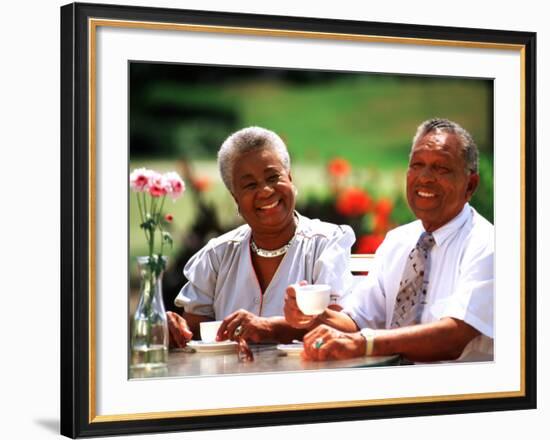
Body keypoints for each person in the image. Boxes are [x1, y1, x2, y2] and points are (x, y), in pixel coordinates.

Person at [284, 118, 494, 363]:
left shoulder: (488, 245)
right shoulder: (399, 241)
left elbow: (453, 338)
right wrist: (311, 315)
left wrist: (364, 343)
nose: (425, 177)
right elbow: (357, 320)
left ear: (470, 185)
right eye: (417, 165)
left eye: (441, 168)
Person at [168, 126, 355, 347]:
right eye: (250, 185)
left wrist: (271, 328)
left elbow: (344, 328)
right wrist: (175, 330)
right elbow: (197, 334)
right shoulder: (215, 256)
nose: (266, 191)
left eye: (273, 177)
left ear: (290, 179)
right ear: (235, 197)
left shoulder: (326, 243)